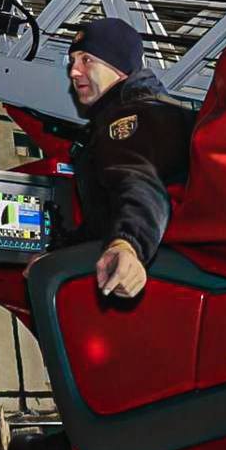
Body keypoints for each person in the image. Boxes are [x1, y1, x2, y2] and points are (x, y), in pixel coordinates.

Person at [34, 17, 195, 299]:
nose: (74, 71)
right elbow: (105, 218)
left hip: (170, 286)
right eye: (72, 61)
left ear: (118, 66)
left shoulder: (129, 119)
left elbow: (140, 184)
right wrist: (57, 256)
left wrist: (127, 246)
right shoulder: (151, 110)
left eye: (87, 60)